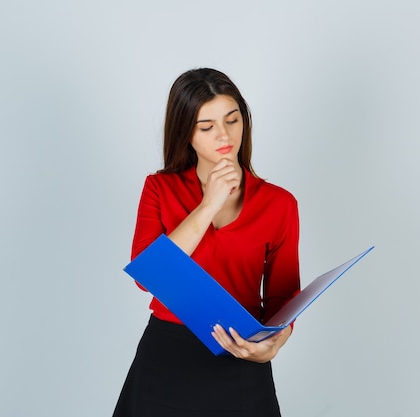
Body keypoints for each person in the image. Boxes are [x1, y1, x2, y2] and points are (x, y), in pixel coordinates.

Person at [113, 68, 300, 417]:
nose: (224, 135)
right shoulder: (159, 189)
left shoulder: (280, 203)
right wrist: (209, 204)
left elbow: (284, 298)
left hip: (240, 358)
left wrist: (274, 344)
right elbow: (147, 275)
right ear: (186, 133)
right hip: (167, 356)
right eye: (207, 127)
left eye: (232, 120)